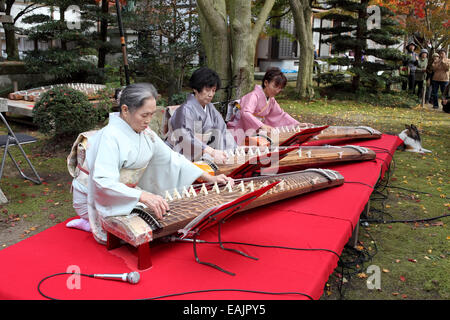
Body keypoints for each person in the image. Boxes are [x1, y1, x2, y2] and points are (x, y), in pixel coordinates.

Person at [67, 83, 233, 244]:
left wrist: (208, 178)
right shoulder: (109, 137)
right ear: (125, 110)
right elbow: (102, 181)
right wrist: (143, 196)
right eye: (144, 115)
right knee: (143, 225)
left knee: (160, 213)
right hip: (95, 195)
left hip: (125, 193)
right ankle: (88, 221)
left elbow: (171, 158)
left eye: (152, 114)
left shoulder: (145, 133)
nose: (148, 121)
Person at [166, 67, 237, 163]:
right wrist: (211, 152)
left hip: (201, 153)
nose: (211, 94)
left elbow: (222, 130)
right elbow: (185, 138)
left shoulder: (211, 108)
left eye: (213, 90)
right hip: (178, 154)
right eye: (207, 90)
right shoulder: (185, 110)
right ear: (195, 88)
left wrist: (230, 152)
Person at [227, 67, 311, 145]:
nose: (277, 91)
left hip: (253, 130)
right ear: (266, 82)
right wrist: (262, 126)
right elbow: (245, 113)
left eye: (280, 88)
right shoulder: (253, 96)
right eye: (275, 86)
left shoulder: (271, 100)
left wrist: (297, 124)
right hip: (239, 128)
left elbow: (280, 115)